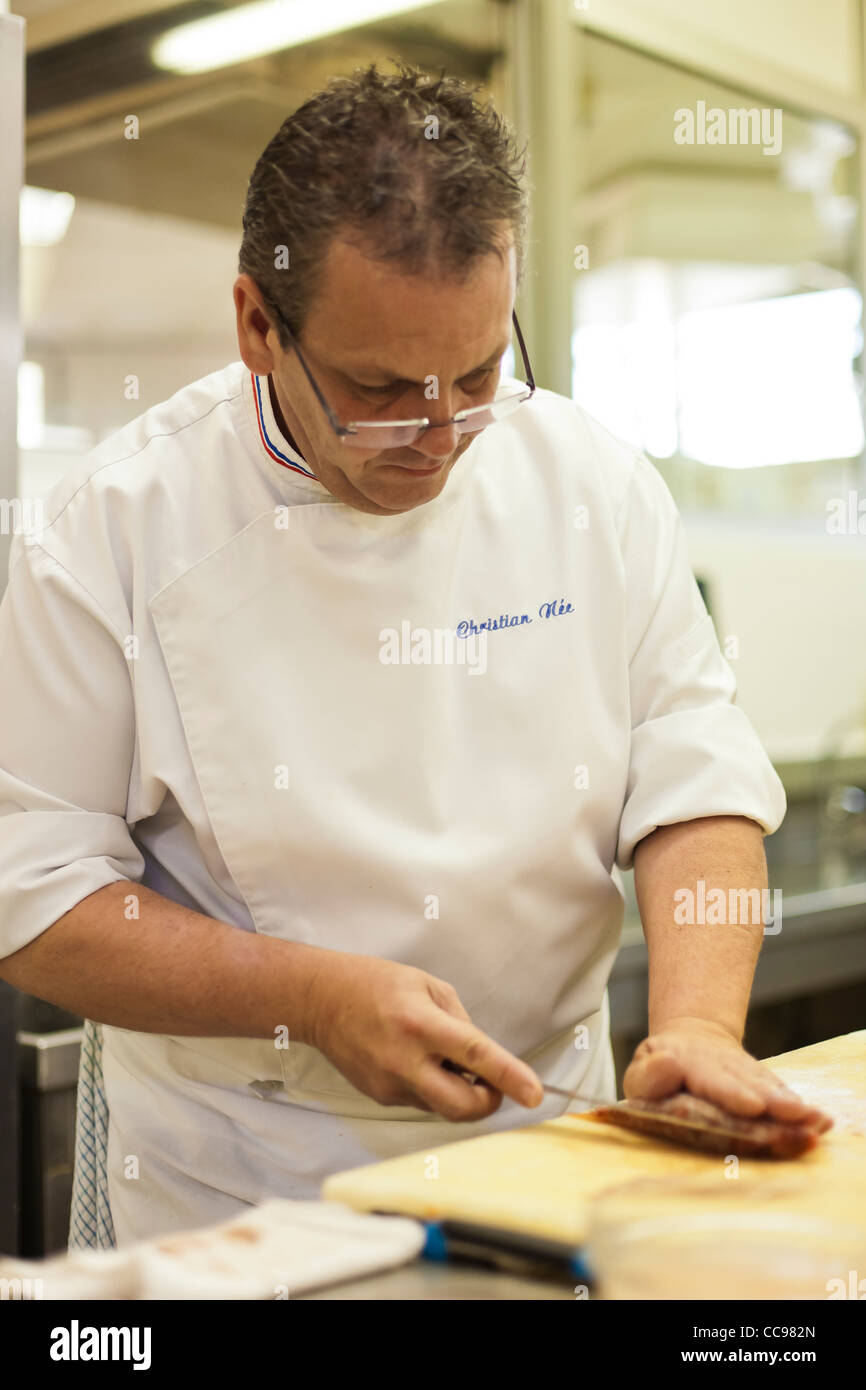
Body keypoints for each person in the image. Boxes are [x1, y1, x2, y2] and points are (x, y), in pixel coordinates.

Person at [0, 62, 828, 1247]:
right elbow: (35, 899)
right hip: (247, 1192)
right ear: (256, 326)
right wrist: (310, 998)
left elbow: (692, 787)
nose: (440, 440)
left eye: (480, 374)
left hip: (556, 1153)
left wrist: (694, 1026)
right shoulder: (115, 528)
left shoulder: (587, 483)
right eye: (382, 392)